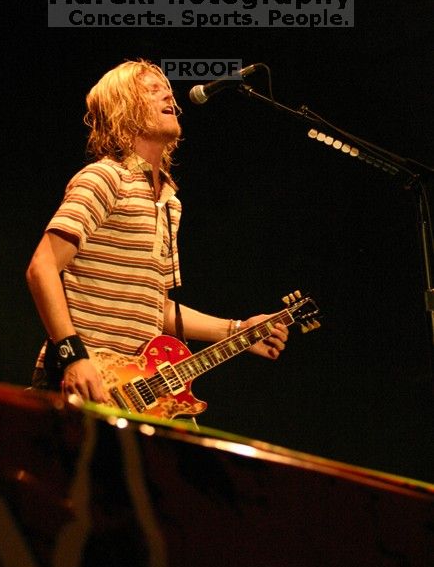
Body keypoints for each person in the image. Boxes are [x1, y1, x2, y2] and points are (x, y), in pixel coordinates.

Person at [26, 59, 288, 406]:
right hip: (80, 379)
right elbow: (41, 267)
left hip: (129, 388)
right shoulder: (105, 178)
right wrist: (74, 355)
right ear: (124, 108)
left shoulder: (168, 202)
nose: (168, 94)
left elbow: (155, 309)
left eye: (166, 89)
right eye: (151, 90)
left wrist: (237, 331)